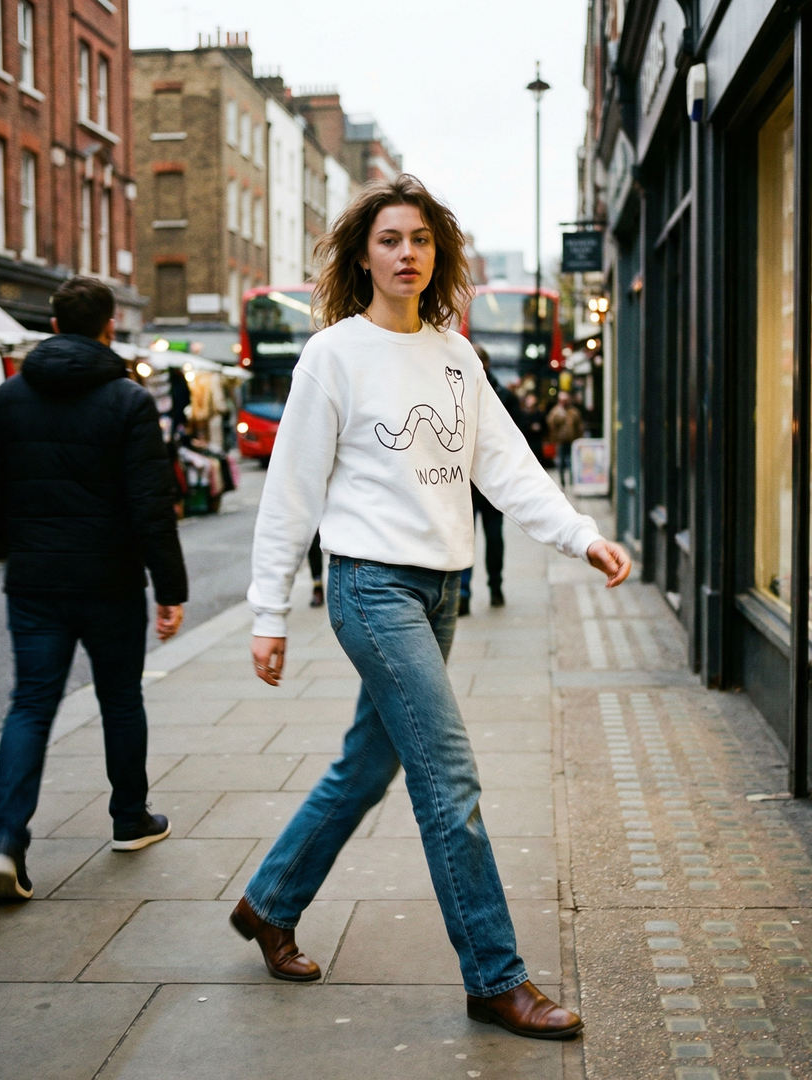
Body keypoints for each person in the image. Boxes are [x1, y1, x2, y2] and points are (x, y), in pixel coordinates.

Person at [234, 175, 631, 1039]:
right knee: (448, 780)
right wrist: (269, 614)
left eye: (419, 239)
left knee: (368, 766)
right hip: (370, 587)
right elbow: (291, 493)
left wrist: (579, 534)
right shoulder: (334, 355)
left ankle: (270, 902)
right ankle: (495, 977)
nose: (406, 254)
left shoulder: (455, 355)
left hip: (441, 589)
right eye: (389, 240)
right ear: (363, 255)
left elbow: (508, 465)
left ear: (437, 253)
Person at [0, 277, 188, 901]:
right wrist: (169, 588)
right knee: (120, 700)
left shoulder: (12, 396)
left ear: (53, 321)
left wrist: (25, 534)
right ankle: (129, 818)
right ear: (109, 325)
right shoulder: (128, 399)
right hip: (110, 580)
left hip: (36, 580)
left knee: (31, 704)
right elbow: (152, 504)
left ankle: (7, 842)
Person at [459, 345, 508, 614]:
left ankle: (494, 586)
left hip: (489, 483)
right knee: (468, 539)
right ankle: (465, 593)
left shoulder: (500, 396)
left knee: (492, 539)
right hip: (469, 485)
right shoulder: (503, 394)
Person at [546, 391, 583, 489]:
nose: (564, 402)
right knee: (561, 463)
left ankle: (571, 481)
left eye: (566, 400)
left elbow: (579, 426)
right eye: (562, 400)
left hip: (572, 441)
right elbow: (551, 424)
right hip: (560, 441)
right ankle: (562, 482)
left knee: (571, 462)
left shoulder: (573, 412)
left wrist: (579, 439)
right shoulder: (556, 411)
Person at [518, 392, 546, 462]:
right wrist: (530, 427)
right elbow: (521, 426)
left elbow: (545, 426)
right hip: (527, 440)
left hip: (536, 441)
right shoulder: (522, 414)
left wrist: (540, 428)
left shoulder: (539, 413)